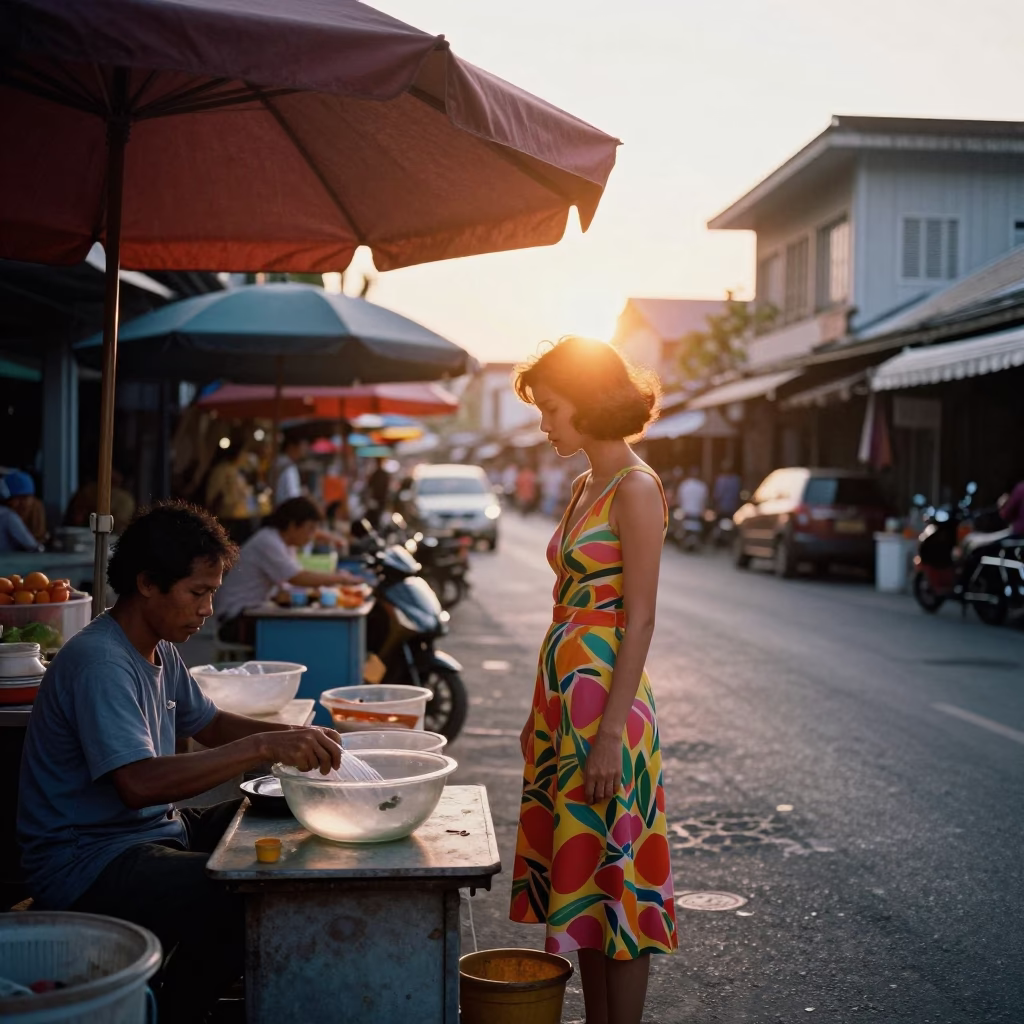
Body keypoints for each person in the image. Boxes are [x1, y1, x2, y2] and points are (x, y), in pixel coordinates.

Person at [17, 502, 344, 1023]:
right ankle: (175, 1010)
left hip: (151, 832)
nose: (207, 609)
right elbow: (138, 784)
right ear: (148, 583)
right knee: (242, 897)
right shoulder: (101, 662)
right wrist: (261, 749)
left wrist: (295, 735)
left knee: (280, 815)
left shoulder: (157, 646)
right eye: (198, 592)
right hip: (87, 860)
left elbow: (210, 723)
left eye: (213, 592)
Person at [509, 337, 677, 1024]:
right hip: (563, 707)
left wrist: (609, 734)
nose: (544, 424)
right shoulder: (585, 485)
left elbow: (638, 621)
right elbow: (564, 610)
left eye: (551, 408)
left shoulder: (637, 489)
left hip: (609, 710)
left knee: (620, 884)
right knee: (584, 883)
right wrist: (536, 711)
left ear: (590, 402)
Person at [215, 497, 360, 644]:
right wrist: (341, 579)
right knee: (306, 634)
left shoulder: (284, 544)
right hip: (236, 620)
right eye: (310, 529)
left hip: (252, 613)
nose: (311, 536)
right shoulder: (268, 542)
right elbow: (297, 577)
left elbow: (289, 586)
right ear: (292, 525)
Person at [204, 443, 254, 544]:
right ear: (237, 454)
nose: (246, 457)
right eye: (244, 453)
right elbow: (216, 495)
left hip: (234, 514)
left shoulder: (234, 470)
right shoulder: (223, 470)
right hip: (226, 516)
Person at [65, 468, 136, 532]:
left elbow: (121, 526)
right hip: (85, 534)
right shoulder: (89, 491)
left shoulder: (125, 500)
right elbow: (76, 518)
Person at [2, 469, 47, 543]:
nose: (21, 503)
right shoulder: (5, 514)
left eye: (25, 497)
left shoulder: (36, 507)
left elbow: (38, 539)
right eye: (16, 498)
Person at [273, 436, 308, 505]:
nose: (303, 451)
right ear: (291, 447)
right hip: (286, 509)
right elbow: (293, 495)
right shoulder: (289, 467)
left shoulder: (278, 461)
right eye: (301, 447)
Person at [365, 457, 392, 529]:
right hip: (376, 501)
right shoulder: (376, 474)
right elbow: (369, 486)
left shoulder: (382, 474)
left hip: (381, 501)